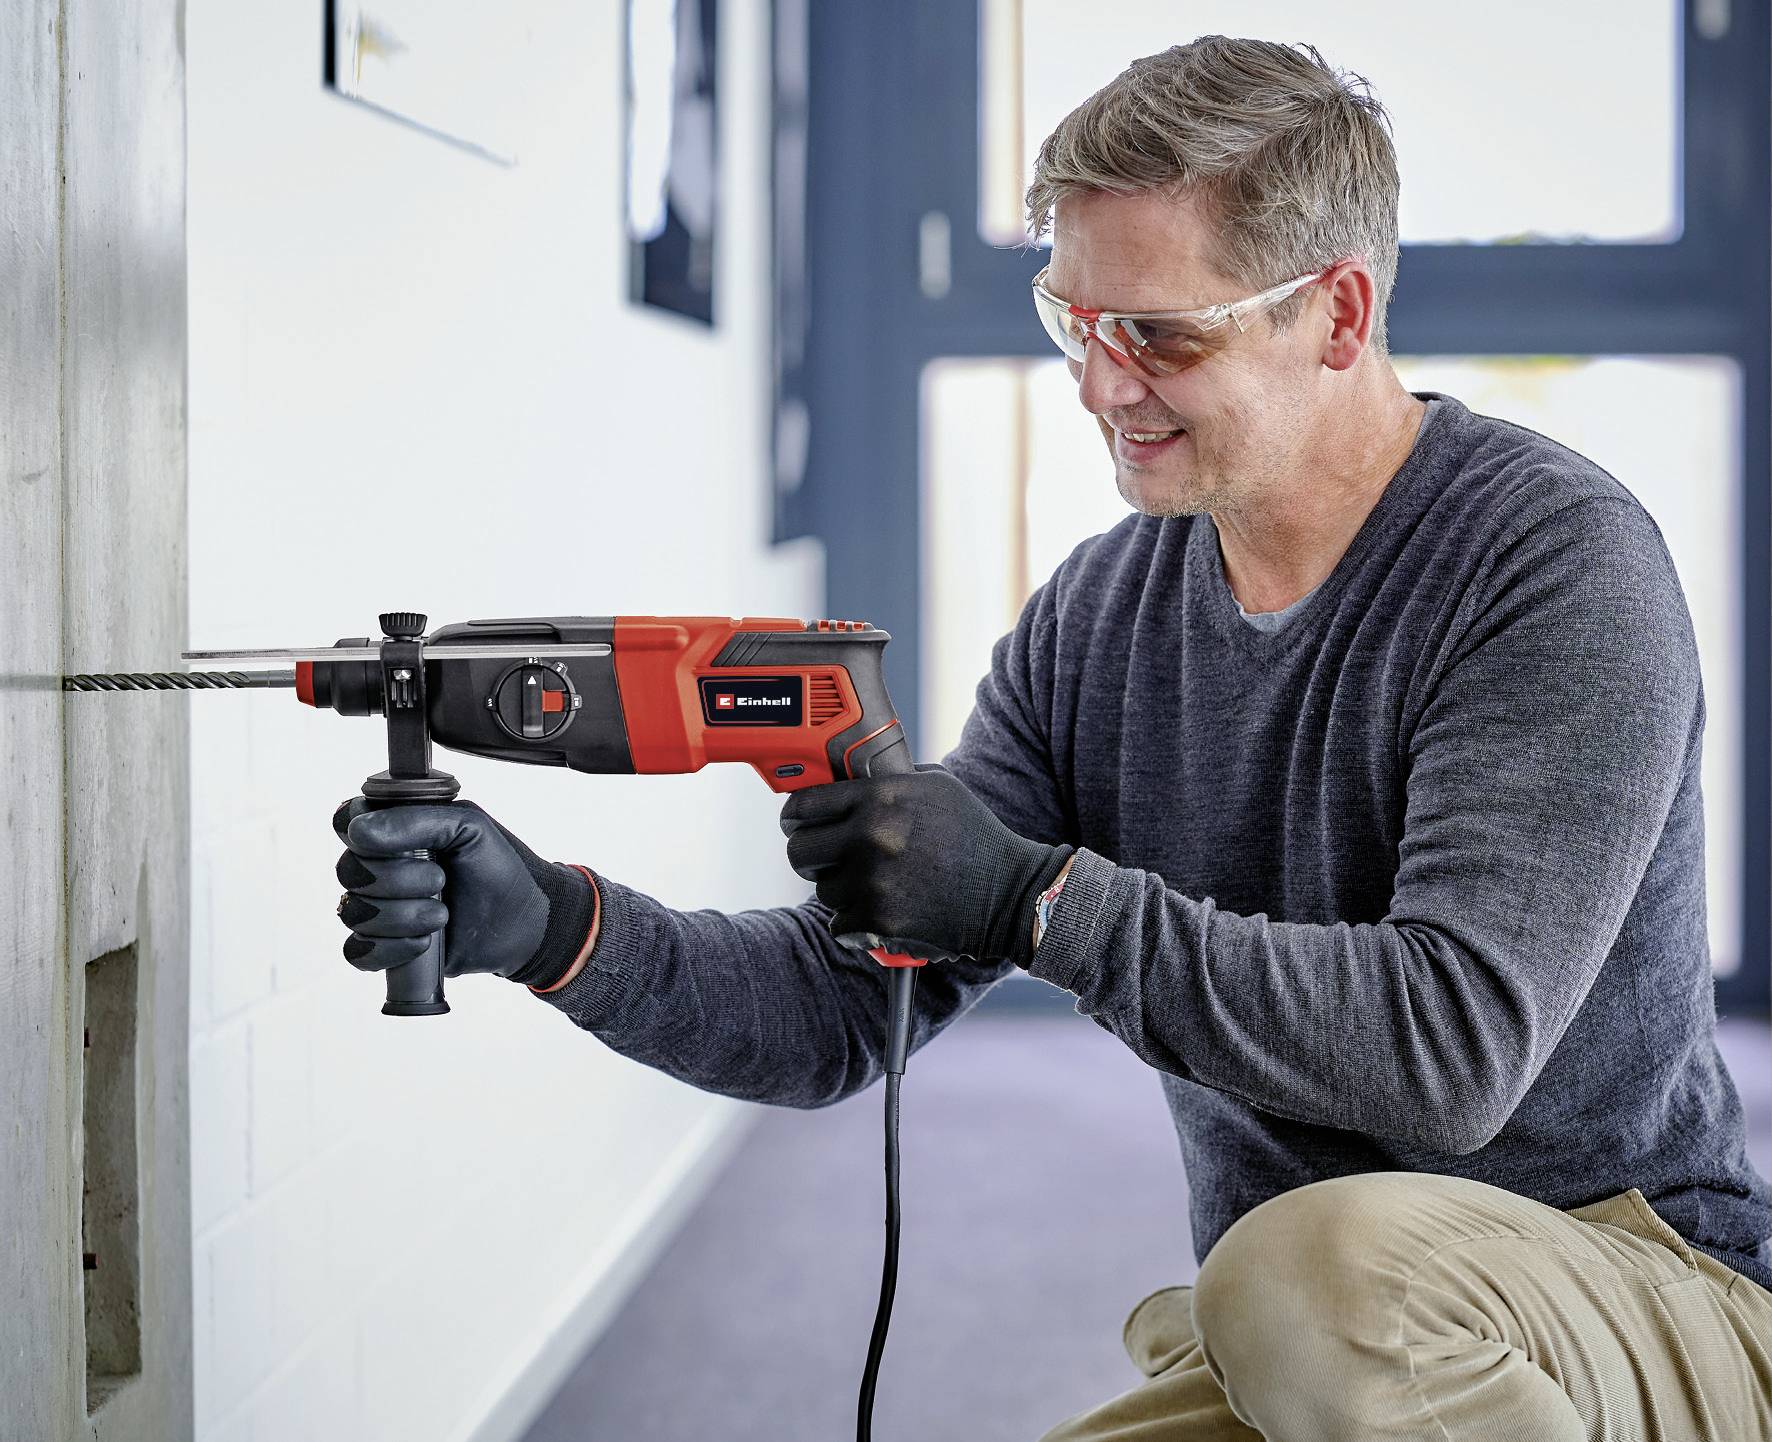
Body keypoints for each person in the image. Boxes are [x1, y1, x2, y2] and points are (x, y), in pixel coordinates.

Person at [332, 36, 1772, 1441]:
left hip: (1632, 1289)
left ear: (1337, 315)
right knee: (1294, 1292)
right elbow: (847, 1006)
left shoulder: (1553, 566)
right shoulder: (1101, 617)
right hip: (1320, 1349)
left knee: (1306, 1279)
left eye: (1159, 334)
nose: (1097, 384)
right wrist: (554, 926)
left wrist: (1036, 899)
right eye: (1074, 321)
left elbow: (1448, 1056)